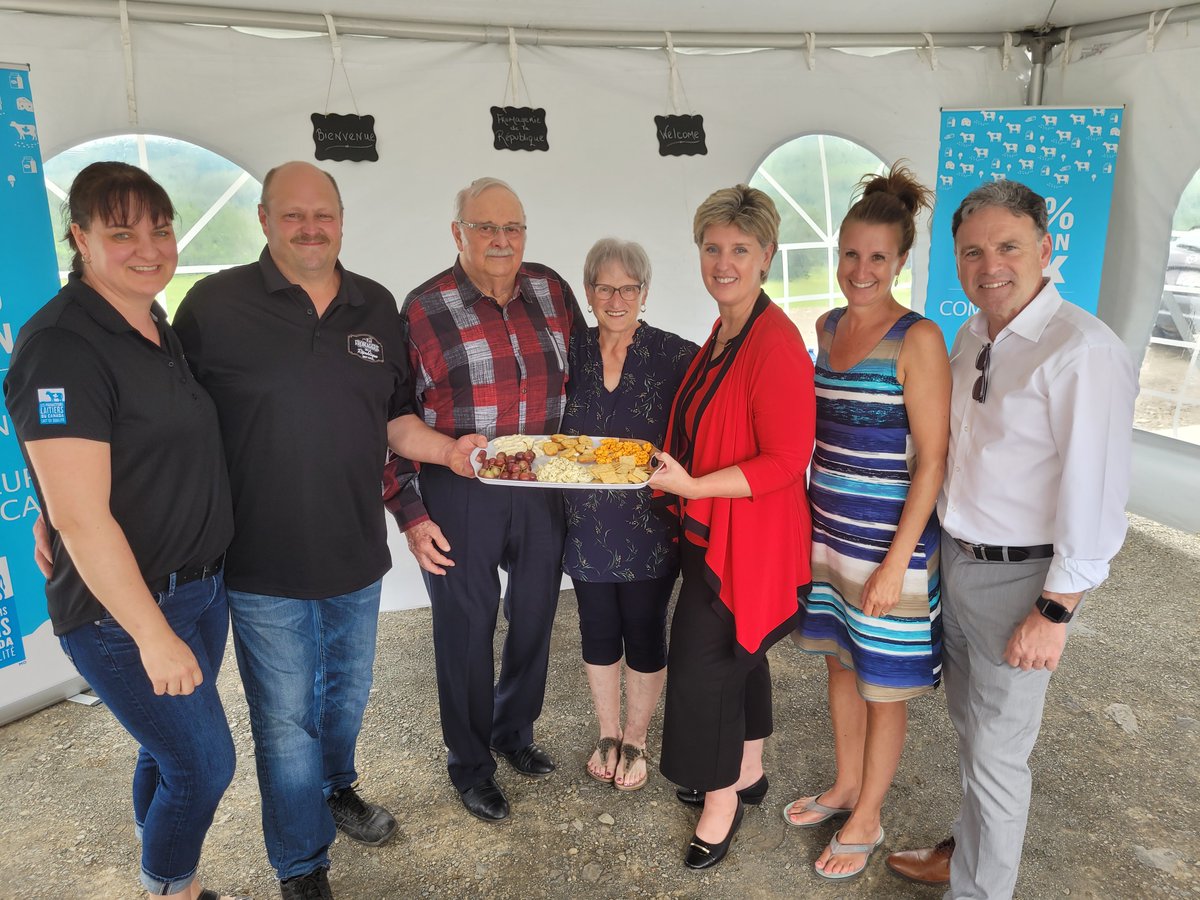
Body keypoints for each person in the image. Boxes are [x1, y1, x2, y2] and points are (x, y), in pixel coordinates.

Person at [171, 161, 483, 900]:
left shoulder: (373, 304)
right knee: (286, 721)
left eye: (324, 215)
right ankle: (301, 865)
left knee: (345, 697)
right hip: (260, 560)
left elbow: (394, 417)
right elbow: (166, 420)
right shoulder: (213, 306)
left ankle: (337, 787)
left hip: (354, 552)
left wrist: (449, 451)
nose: (310, 228)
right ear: (264, 220)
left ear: (341, 220)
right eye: (293, 214)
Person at [885, 180, 1137, 899]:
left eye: (1008, 247)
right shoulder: (972, 335)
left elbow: (1096, 493)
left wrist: (1056, 610)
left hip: (1024, 581)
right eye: (972, 251)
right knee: (973, 733)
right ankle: (967, 853)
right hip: (959, 560)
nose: (989, 265)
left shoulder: (1082, 351)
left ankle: (979, 889)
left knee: (998, 755)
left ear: (1046, 249)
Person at [4, 162, 243, 900]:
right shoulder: (62, 346)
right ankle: (170, 889)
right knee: (204, 766)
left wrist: (53, 502)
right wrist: (151, 634)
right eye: (122, 233)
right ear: (80, 238)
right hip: (126, 612)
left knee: (166, 753)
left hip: (198, 587)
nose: (149, 248)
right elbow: (80, 516)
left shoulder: (151, 321)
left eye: (161, 230)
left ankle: (168, 869)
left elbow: (113, 460)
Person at [384, 177, 583, 823]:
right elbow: (391, 417)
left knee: (535, 615)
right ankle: (470, 764)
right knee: (466, 628)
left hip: (542, 481)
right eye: (486, 227)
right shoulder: (422, 309)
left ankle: (513, 730)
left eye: (513, 227)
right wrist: (410, 513)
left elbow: (586, 378)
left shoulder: (552, 290)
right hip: (459, 485)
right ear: (458, 233)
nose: (502, 240)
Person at [785, 164, 950, 881]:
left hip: (889, 547)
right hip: (830, 538)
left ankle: (870, 816)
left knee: (883, 686)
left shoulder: (919, 339)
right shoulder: (826, 326)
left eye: (878, 257)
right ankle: (847, 786)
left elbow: (933, 463)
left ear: (901, 261)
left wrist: (896, 564)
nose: (861, 269)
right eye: (851, 253)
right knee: (840, 663)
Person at [648, 184, 815, 870]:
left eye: (740, 250)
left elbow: (787, 458)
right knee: (739, 654)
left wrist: (691, 486)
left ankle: (720, 804)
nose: (724, 263)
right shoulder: (723, 332)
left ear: (767, 255)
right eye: (713, 248)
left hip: (750, 540)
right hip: (714, 529)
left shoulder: (774, 343)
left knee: (701, 667)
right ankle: (747, 772)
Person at [562, 238, 697, 791]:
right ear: (588, 291)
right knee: (596, 627)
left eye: (628, 288)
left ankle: (636, 738)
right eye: (604, 287)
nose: (616, 299)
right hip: (583, 524)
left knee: (644, 629)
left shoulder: (675, 355)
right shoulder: (568, 351)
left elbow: (709, 422)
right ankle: (608, 733)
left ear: (644, 291)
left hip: (650, 525)